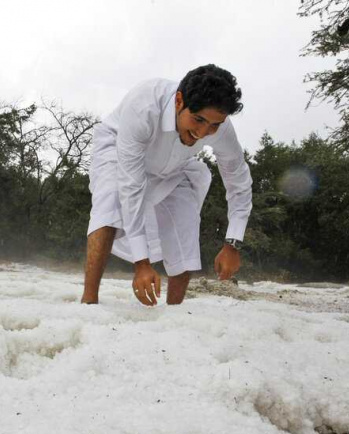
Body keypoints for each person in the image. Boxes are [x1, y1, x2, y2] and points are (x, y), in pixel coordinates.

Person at [81, 64, 253, 306]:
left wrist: (232, 243)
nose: (203, 133)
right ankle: (89, 301)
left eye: (213, 125)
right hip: (119, 150)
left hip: (175, 165)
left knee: (185, 217)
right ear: (179, 100)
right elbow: (131, 187)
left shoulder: (220, 128)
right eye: (198, 119)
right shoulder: (144, 106)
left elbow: (238, 179)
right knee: (111, 199)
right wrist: (141, 263)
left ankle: (174, 311)